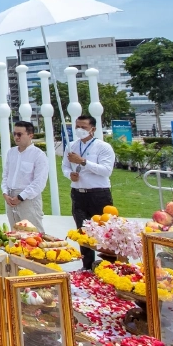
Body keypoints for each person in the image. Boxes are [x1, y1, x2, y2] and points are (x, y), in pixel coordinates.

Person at [62, 114, 116, 270]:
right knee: (83, 231)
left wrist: (83, 162)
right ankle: (86, 267)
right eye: (77, 127)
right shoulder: (71, 146)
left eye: (83, 127)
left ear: (93, 129)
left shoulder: (103, 147)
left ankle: (108, 267)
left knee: (104, 231)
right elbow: (65, 166)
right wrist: (69, 174)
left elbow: (106, 170)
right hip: (78, 193)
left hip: (98, 194)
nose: (80, 130)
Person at [1, 121, 48, 233]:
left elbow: (39, 182)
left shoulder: (39, 155)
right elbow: (5, 175)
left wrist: (21, 197)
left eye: (20, 134)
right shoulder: (11, 152)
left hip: (28, 199)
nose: (16, 137)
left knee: (34, 234)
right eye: (14, 134)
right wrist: (5, 193)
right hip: (10, 197)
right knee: (15, 234)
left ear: (30, 135)